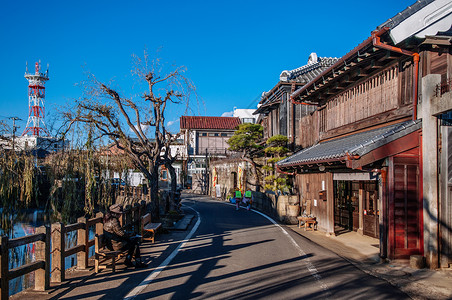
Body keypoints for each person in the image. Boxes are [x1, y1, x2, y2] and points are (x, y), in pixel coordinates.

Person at [103, 203, 147, 268]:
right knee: (134, 243)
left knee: (133, 243)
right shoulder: (114, 221)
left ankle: (130, 261)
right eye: (120, 213)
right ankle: (135, 262)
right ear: (116, 213)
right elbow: (121, 233)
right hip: (115, 245)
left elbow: (118, 232)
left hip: (110, 243)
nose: (120, 215)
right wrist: (131, 234)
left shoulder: (107, 219)